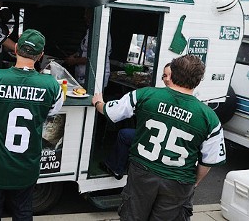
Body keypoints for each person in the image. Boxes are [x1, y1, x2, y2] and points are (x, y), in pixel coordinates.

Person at [91, 55, 226, 220]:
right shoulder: (209, 118)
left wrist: (98, 102)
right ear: (199, 80)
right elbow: (208, 161)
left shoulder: (145, 95)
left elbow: (111, 112)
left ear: (172, 73)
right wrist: (194, 182)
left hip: (142, 173)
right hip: (179, 181)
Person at [0, 30, 64, 221]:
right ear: (41, 55)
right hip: (26, 165)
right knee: (23, 212)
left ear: (16, 49)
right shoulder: (52, 85)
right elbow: (52, 111)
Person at [102, 63, 173, 180]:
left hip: (152, 142)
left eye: (170, 75)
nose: (166, 79)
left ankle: (116, 168)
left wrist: (99, 103)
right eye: (164, 76)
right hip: (166, 151)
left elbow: (113, 112)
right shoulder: (192, 104)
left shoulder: (151, 94)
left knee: (124, 134)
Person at [64, 8, 111, 87]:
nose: (85, 16)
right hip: (82, 77)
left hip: (93, 80)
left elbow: (93, 58)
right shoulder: (90, 31)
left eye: (87, 14)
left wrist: (74, 61)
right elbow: (84, 50)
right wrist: (74, 56)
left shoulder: (99, 32)